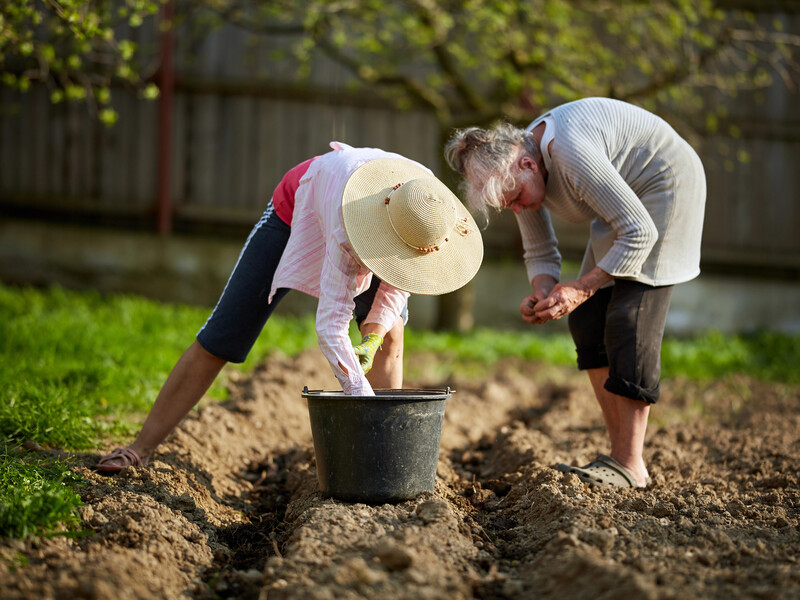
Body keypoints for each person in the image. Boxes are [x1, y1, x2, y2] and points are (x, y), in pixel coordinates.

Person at [96, 142, 484, 473]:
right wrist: (358, 396)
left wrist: (374, 334)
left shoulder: (430, 216)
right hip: (300, 203)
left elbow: (400, 284)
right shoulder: (351, 230)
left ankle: (380, 465)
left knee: (391, 334)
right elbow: (331, 324)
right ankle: (139, 448)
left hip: (383, 216)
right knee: (224, 334)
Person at [445, 97, 706, 488]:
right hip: (622, 206)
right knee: (586, 321)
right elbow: (539, 249)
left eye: (515, 199)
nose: (517, 210)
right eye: (507, 206)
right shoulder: (519, 168)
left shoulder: (570, 155)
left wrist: (582, 287)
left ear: (528, 164)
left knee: (627, 320)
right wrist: (544, 291)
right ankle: (619, 456)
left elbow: (639, 231)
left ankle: (630, 464)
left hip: (664, 188)